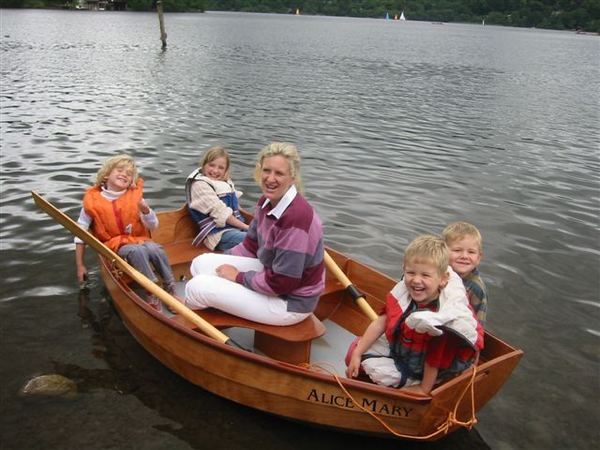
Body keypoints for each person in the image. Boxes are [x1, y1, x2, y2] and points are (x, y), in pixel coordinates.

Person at [184, 142, 325, 326]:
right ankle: (218, 302)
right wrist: (224, 262)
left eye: (279, 173)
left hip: (290, 301)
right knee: (201, 263)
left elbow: (283, 283)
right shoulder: (266, 201)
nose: (270, 178)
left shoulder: (296, 218)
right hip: (272, 274)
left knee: (196, 287)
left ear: (292, 177)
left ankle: (192, 316)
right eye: (267, 170)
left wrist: (238, 277)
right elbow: (251, 245)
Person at [345, 235, 483, 395]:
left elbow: (435, 359)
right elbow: (382, 321)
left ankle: (413, 384)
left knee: (380, 376)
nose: (416, 280)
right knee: (352, 353)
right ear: (404, 269)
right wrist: (358, 353)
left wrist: (423, 389)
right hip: (405, 351)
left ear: (443, 279)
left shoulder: (443, 318)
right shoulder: (405, 293)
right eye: (411, 272)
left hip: (430, 369)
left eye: (425, 275)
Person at [74, 154, 176, 312]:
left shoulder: (135, 198)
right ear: (107, 174)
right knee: (137, 251)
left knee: (155, 248)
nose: (124, 174)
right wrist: (80, 265)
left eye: (129, 174)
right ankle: (152, 290)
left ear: (131, 181)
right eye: (120, 170)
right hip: (114, 246)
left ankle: (171, 288)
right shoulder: (92, 202)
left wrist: (146, 211)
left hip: (137, 239)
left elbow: (153, 225)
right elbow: (80, 234)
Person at [186, 146, 249, 251]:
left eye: (221, 168)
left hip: (237, 228)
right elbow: (222, 214)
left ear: (226, 170)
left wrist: (256, 222)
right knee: (257, 240)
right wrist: (247, 228)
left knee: (268, 235)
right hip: (219, 235)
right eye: (211, 165)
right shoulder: (200, 185)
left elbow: (236, 207)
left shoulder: (225, 182)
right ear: (204, 165)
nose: (215, 171)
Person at [443, 221, 488, 326]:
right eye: (457, 250)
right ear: (443, 252)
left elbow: (478, 323)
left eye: (471, 252)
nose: (464, 256)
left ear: (478, 258)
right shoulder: (438, 273)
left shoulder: (476, 288)